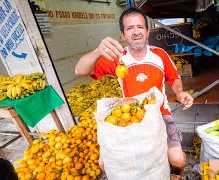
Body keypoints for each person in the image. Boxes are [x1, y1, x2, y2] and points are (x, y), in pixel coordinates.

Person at [75, 7, 194, 174]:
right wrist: (97, 51)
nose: (136, 32)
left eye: (140, 27)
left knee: (178, 159)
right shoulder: (117, 58)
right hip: (130, 118)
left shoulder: (160, 54)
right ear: (123, 35)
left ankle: (175, 174)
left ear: (147, 31)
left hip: (161, 114)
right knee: (104, 163)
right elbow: (80, 71)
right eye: (129, 28)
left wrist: (180, 92)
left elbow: (174, 78)